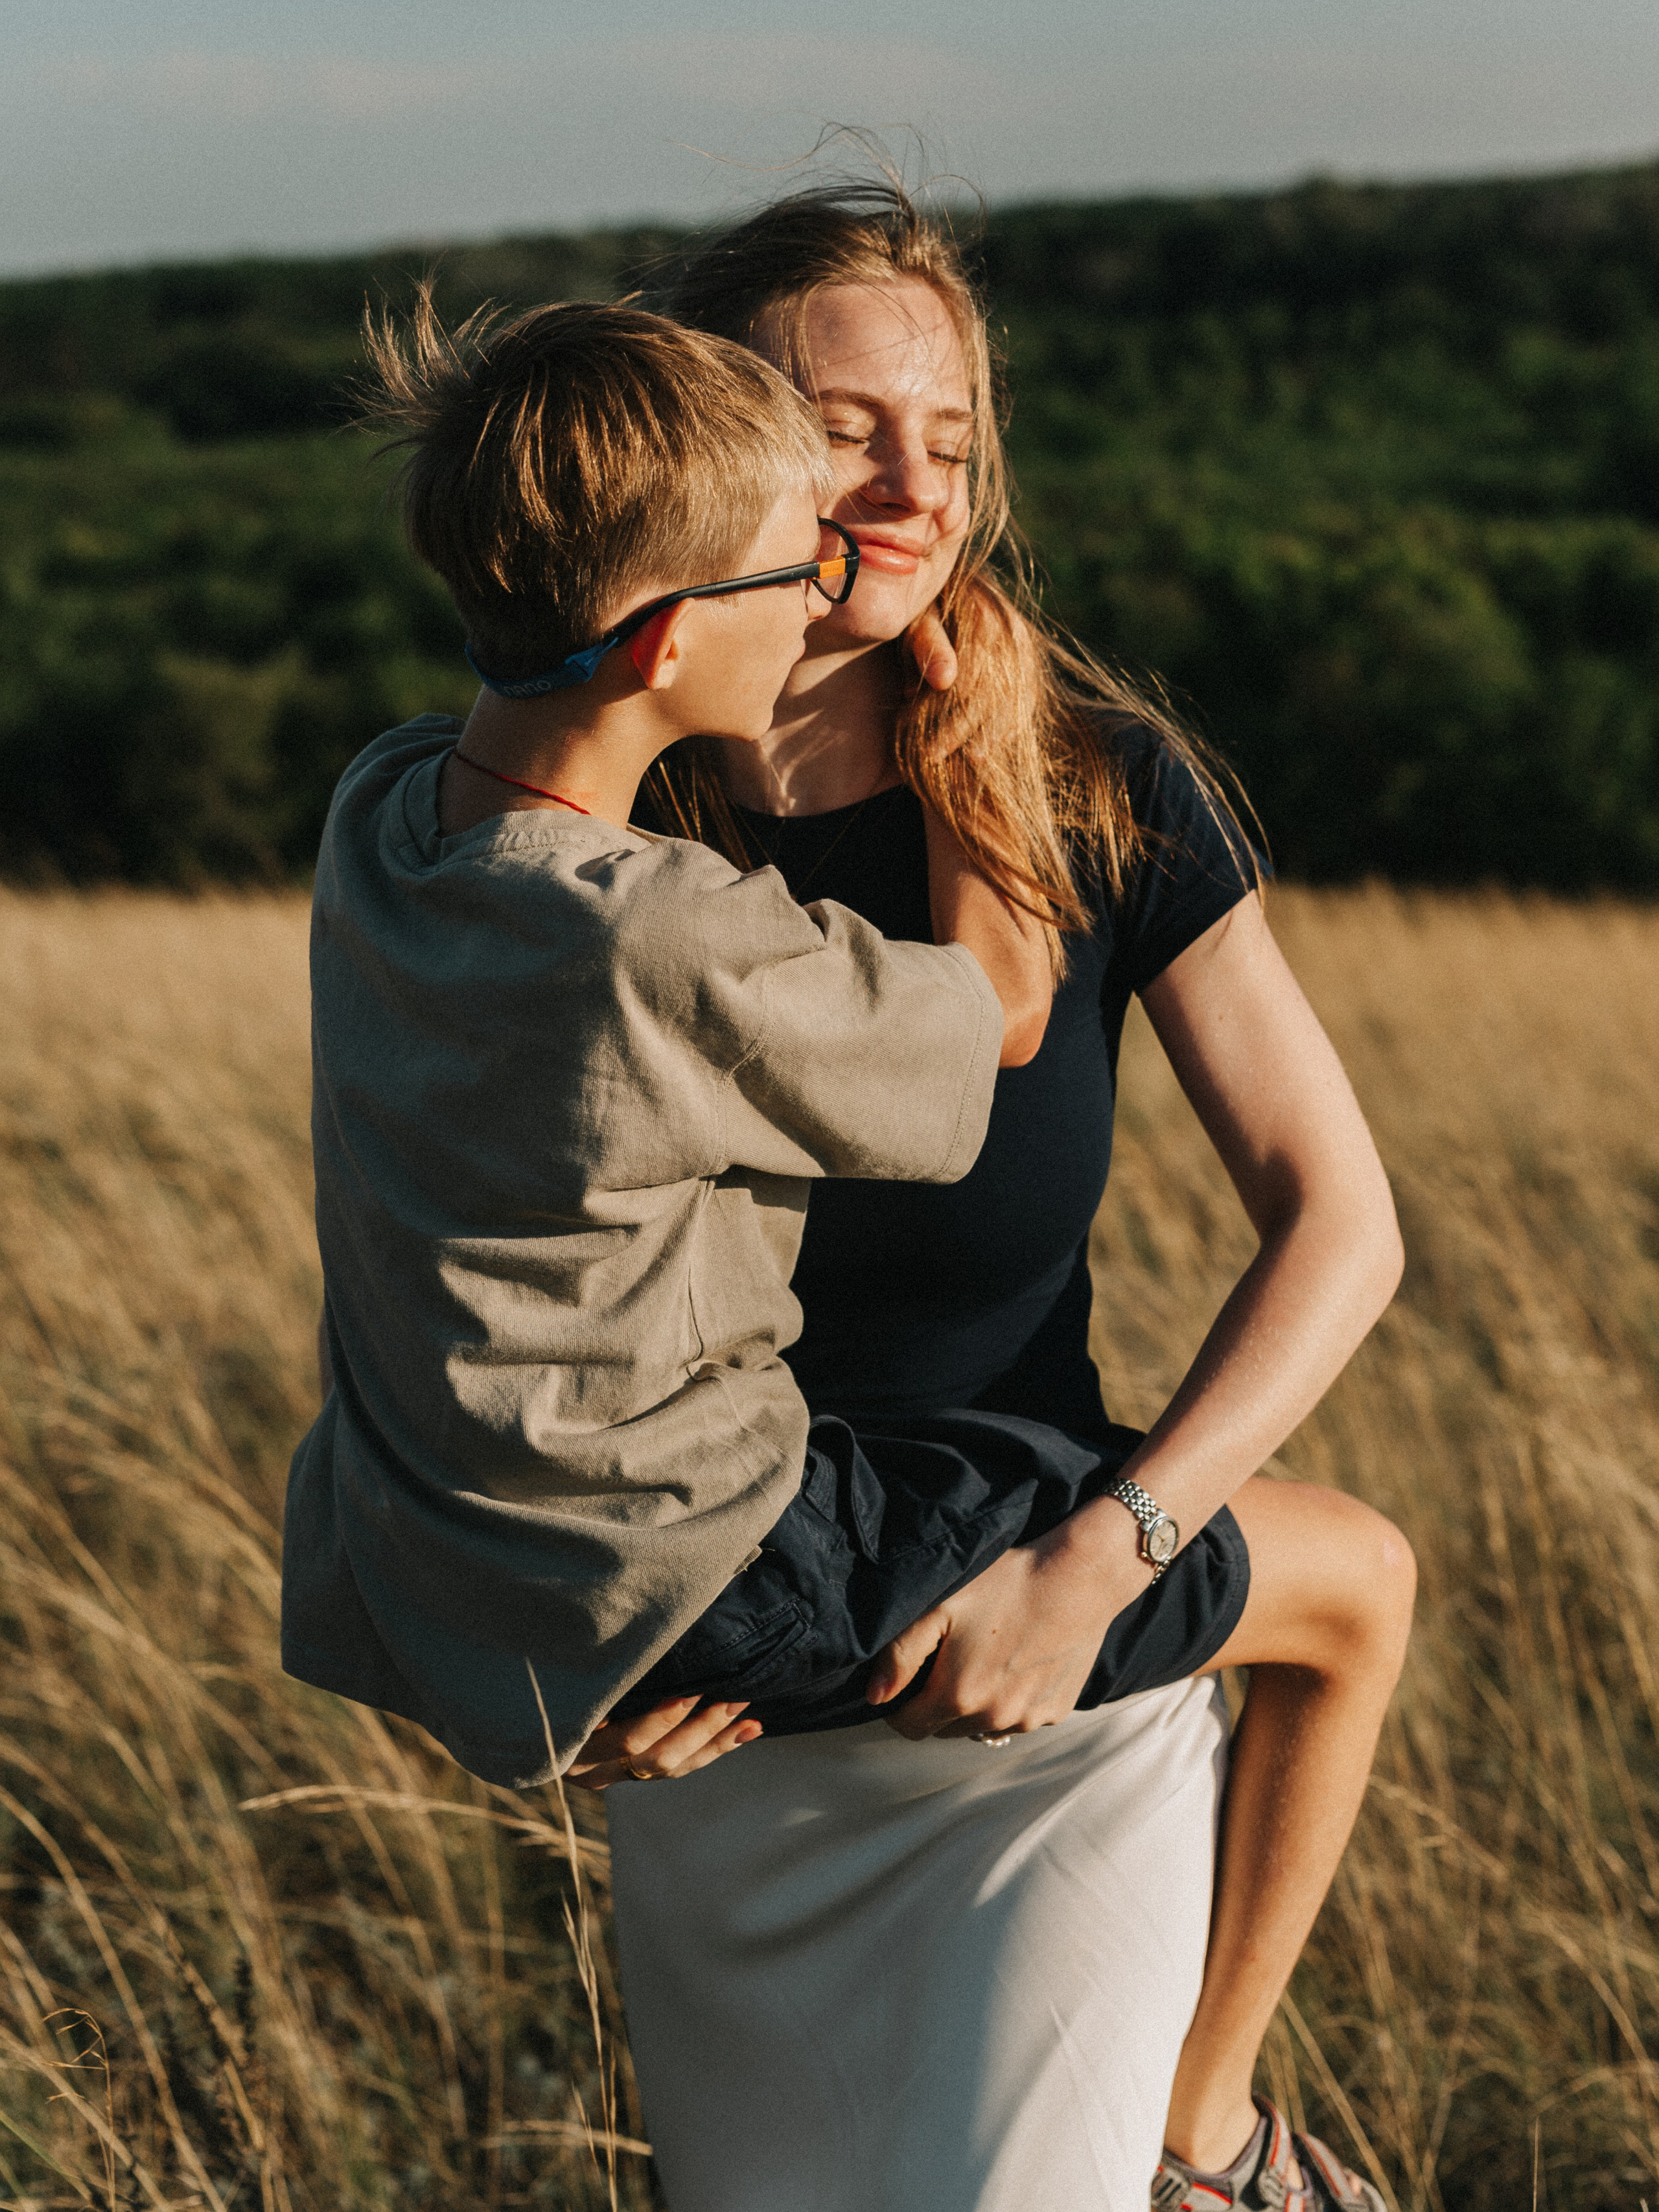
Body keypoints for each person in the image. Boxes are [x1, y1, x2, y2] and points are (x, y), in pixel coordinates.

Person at [596, 183, 1417, 2212]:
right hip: (726, 1737)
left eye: (949, 439)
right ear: (708, 437)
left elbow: (1342, 1218)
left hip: (1048, 1683)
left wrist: (1111, 1559)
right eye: (847, 423)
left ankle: (1204, 2144)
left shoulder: (1091, 783)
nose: (914, 483)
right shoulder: (600, 811)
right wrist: (546, 1633)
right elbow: (460, 1267)